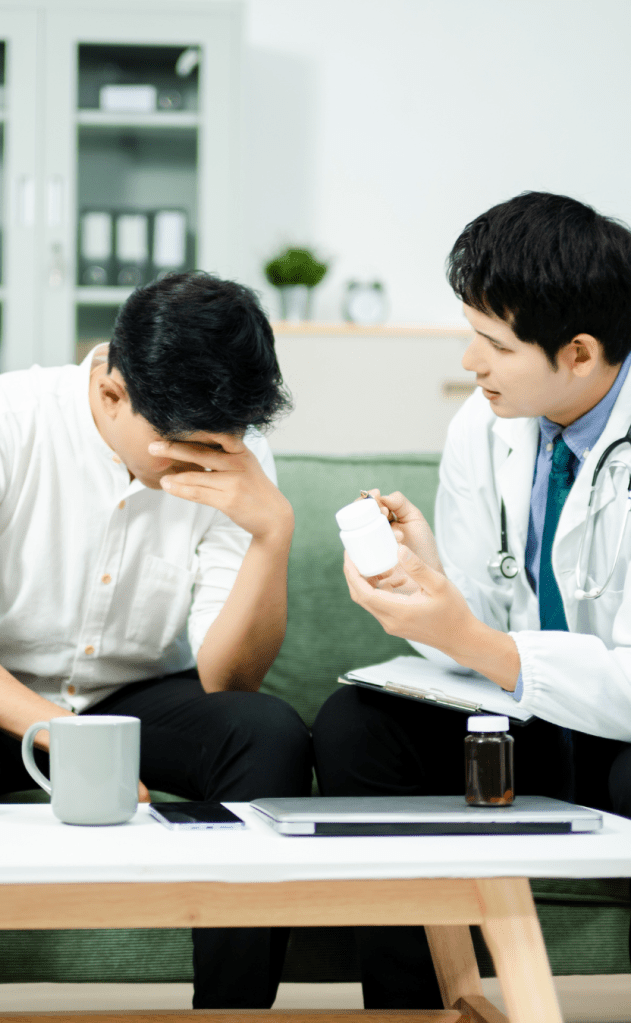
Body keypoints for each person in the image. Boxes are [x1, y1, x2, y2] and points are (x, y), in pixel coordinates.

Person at [0, 271, 312, 1015]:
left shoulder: (237, 455)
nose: (205, 463)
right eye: (181, 446)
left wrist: (272, 536)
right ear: (110, 390)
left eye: (224, 445)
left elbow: (230, 677)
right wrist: (60, 733)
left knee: (268, 733)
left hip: (141, 695)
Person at [312, 192, 631, 1009]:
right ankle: (412, 1007)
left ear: (580, 351)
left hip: (620, 733)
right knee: (359, 729)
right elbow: (475, 633)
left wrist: (477, 640)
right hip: (532, 720)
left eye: (492, 343)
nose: (469, 361)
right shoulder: (483, 424)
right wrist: (429, 586)